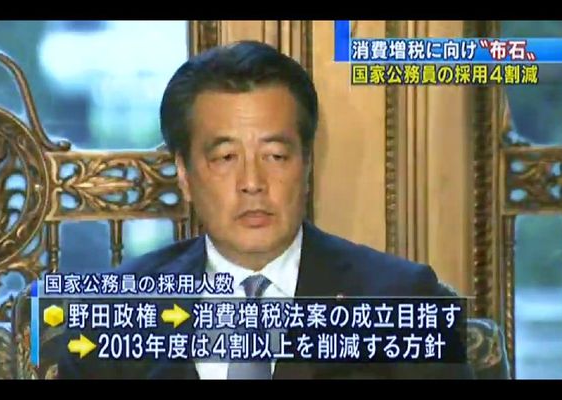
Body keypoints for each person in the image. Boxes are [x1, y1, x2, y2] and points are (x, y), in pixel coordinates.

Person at [59, 40, 473, 380]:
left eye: (275, 156)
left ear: (306, 165)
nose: (252, 182)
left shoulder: (401, 300)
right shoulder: (115, 313)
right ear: (184, 174)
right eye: (225, 158)